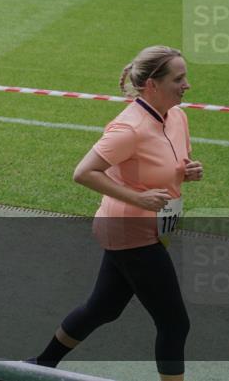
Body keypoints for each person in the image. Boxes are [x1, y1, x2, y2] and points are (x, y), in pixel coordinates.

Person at [29, 46, 204, 380]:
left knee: (103, 308)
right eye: (178, 78)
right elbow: (84, 172)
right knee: (175, 323)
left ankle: (41, 364)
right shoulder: (129, 129)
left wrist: (187, 171)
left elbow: (165, 165)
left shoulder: (177, 116)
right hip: (130, 230)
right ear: (152, 84)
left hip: (152, 228)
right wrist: (136, 199)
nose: (187, 85)